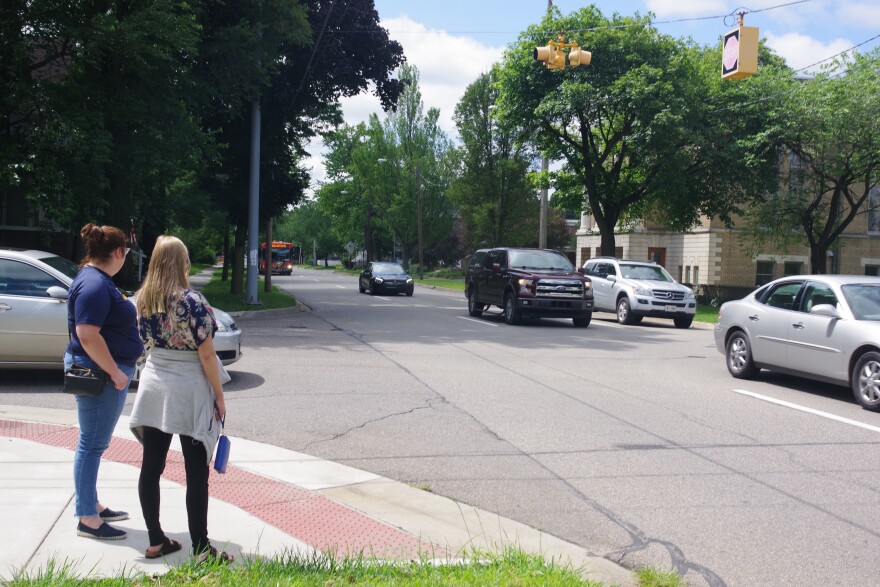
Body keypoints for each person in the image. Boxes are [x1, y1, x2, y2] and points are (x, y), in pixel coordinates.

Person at [129, 235, 233, 562]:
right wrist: (220, 397)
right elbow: (206, 355)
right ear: (182, 263)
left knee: (151, 467)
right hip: (189, 389)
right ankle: (201, 549)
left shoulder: (142, 300)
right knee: (195, 472)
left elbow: (141, 343)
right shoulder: (193, 302)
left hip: (154, 385)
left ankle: (156, 540)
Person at [65, 223, 143, 540]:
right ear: (118, 252)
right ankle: (87, 517)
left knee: (93, 443)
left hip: (101, 372)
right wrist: (115, 372)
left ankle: (91, 504)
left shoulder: (95, 279)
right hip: (99, 375)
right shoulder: (95, 284)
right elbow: (86, 334)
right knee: (92, 444)